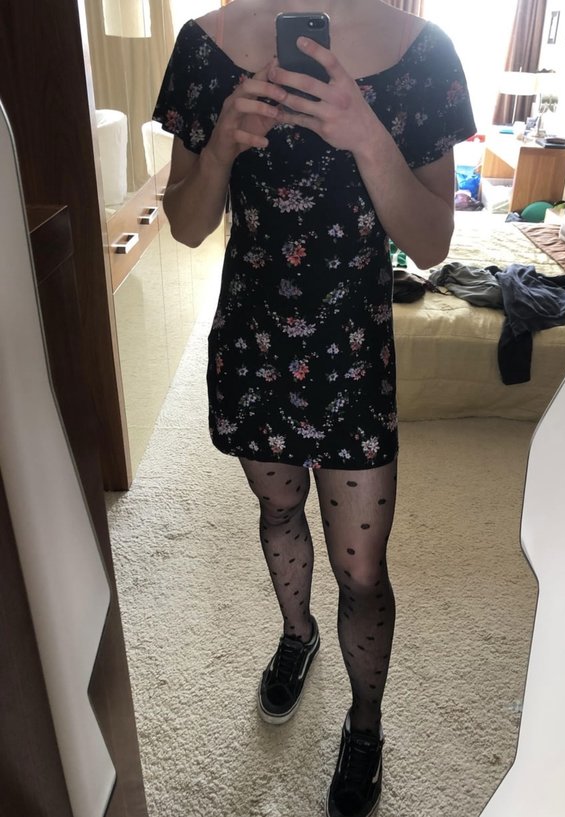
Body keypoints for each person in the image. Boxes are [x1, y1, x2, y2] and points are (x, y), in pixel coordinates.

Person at [153, 1, 475, 814]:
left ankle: (365, 724)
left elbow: (432, 242)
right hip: (255, 345)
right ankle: (297, 636)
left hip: (353, 358)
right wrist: (219, 150)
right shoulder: (203, 47)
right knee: (277, 509)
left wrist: (365, 133)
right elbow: (187, 226)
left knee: (362, 568)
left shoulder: (425, 53)